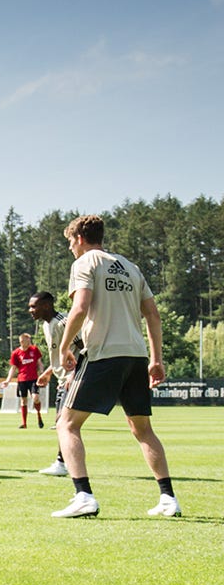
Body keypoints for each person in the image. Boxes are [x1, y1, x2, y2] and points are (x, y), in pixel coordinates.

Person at [51, 214, 179, 518]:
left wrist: (64, 346)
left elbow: (80, 307)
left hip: (103, 355)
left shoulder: (85, 263)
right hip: (136, 356)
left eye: (70, 241)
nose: (70, 248)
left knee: (66, 424)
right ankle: (168, 499)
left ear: (80, 238)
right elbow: (153, 315)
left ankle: (83, 495)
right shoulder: (132, 268)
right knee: (143, 429)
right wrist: (156, 360)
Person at [28, 291, 76, 475]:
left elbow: (83, 347)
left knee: (63, 422)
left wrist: (74, 374)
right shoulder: (46, 326)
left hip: (74, 379)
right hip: (63, 379)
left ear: (47, 306)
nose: (30, 310)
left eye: (34, 306)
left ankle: (62, 463)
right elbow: (60, 354)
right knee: (63, 423)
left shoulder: (63, 322)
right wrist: (49, 372)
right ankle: (63, 462)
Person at [3, 332, 46, 429]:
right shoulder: (16, 353)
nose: (29, 342)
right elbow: (13, 368)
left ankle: (39, 416)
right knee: (23, 400)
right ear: (22, 341)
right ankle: (24, 423)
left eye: (29, 340)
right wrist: (7, 380)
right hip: (22, 380)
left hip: (34, 379)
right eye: (27, 340)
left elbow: (39, 363)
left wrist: (42, 373)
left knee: (35, 398)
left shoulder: (34, 350)